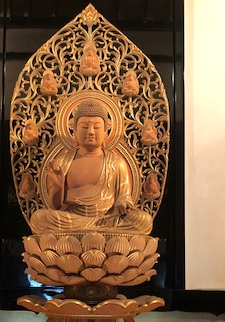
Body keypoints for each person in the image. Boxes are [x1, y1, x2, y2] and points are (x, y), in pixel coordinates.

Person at [30, 99, 152, 235]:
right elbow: (54, 208)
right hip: (71, 221)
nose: (91, 132)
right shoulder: (62, 162)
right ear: (74, 131)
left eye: (97, 127)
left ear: (105, 132)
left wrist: (123, 204)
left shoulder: (116, 163)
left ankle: (89, 234)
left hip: (106, 220)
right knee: (39, 218)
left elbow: (124, 197)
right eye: (84, 127)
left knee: (144, 220)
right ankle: (101, 236)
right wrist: (58, 188)